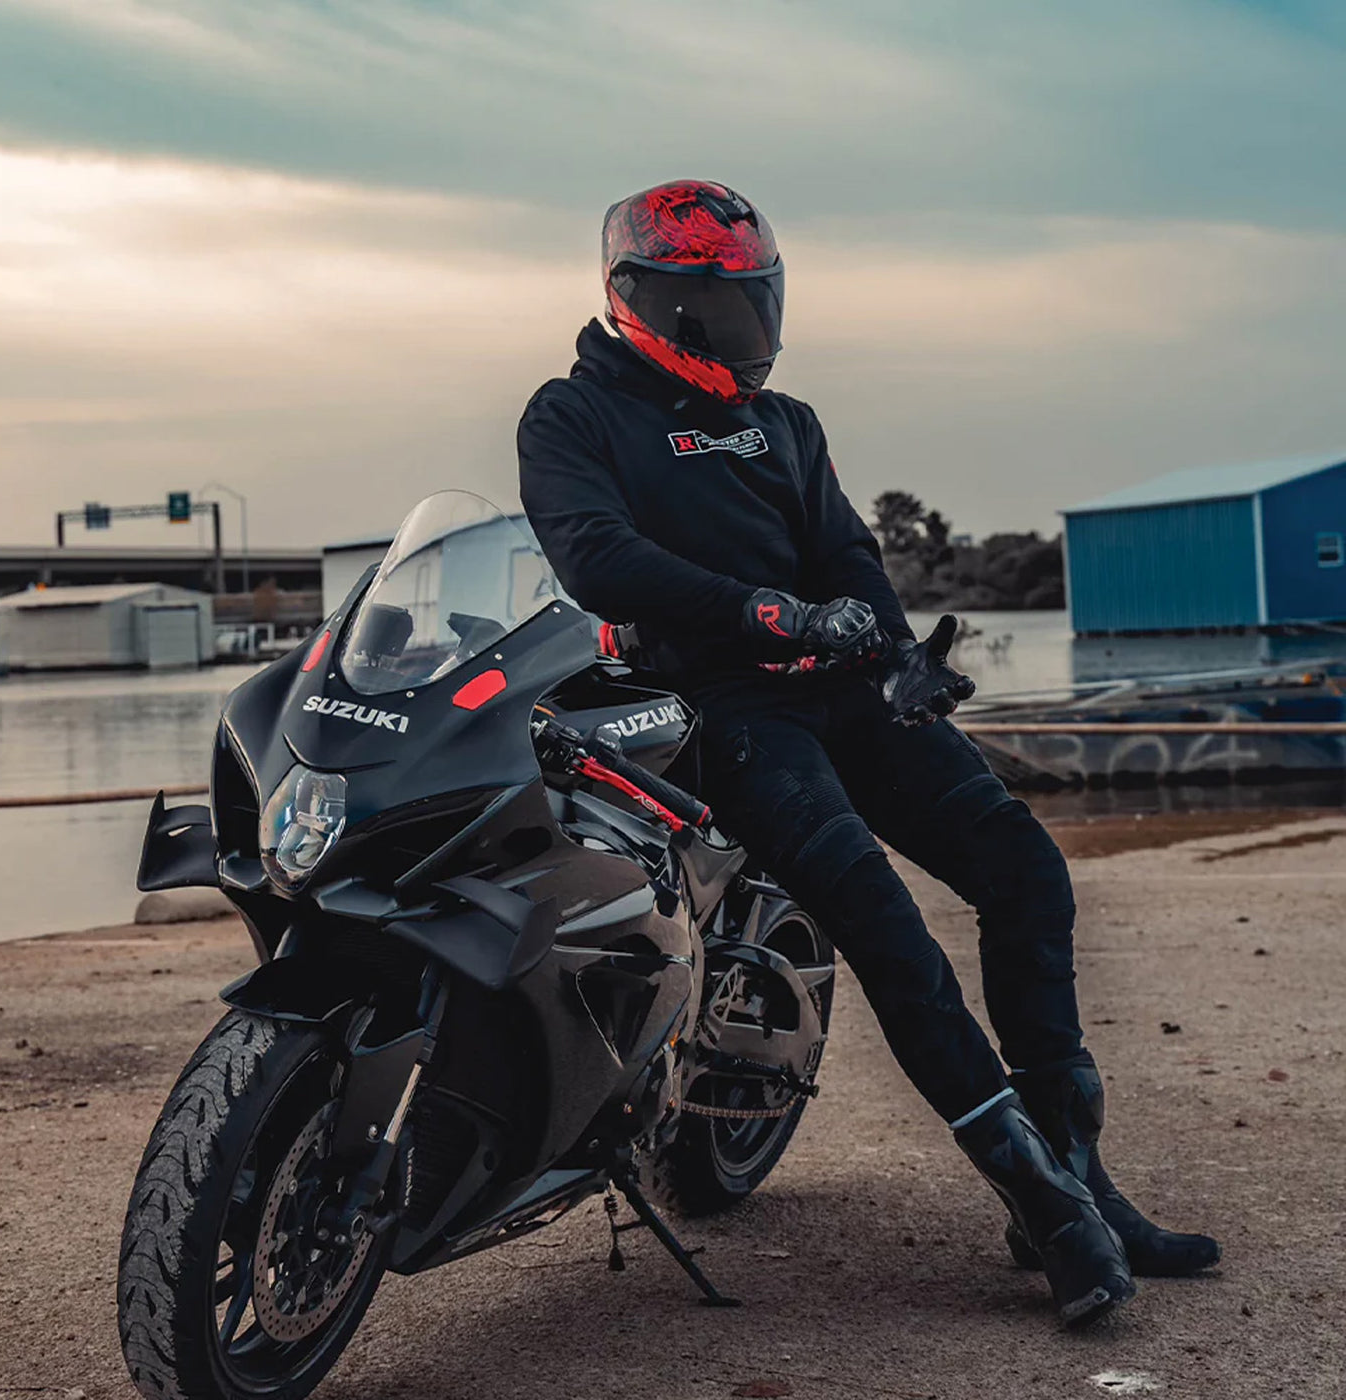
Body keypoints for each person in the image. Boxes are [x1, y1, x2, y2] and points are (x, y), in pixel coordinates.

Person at [517, 179, 1219, 1326]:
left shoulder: (784, 422)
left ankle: (1079, 1173)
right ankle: (1048, 1210)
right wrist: (765, 614)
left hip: (844, 694)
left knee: (1025, 874)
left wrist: (896, 655)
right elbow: (596, 556)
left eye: (762, 302)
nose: (756, 327)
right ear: (657, 303)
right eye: (733, 307)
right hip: (721, 709)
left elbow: (845, 552)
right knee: (888, 929)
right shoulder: (572, 414)